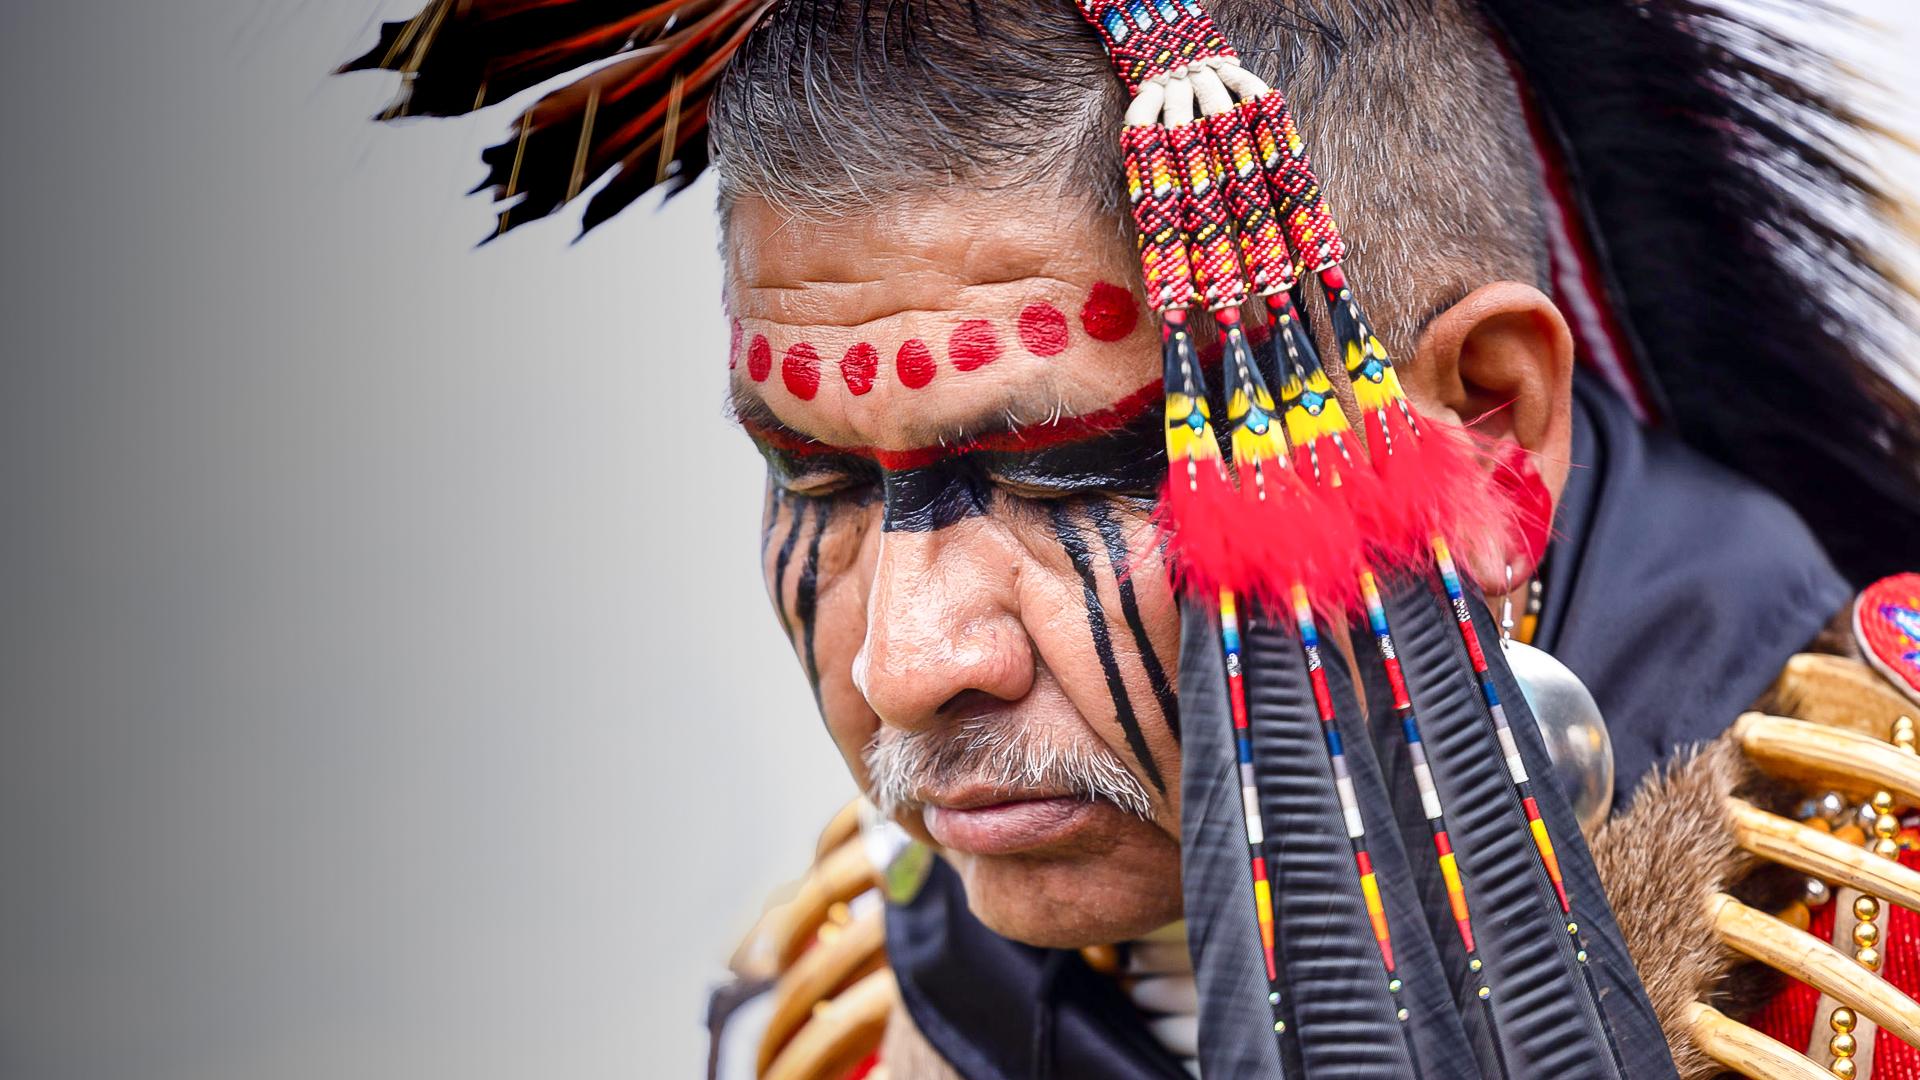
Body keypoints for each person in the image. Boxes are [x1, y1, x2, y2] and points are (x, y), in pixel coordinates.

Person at [343, 1, 1920, 1076]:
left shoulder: (1870, 949)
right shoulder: (840, 1012)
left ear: (1486, 424)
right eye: (817, 485)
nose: (906, 663)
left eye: (1070, 476)